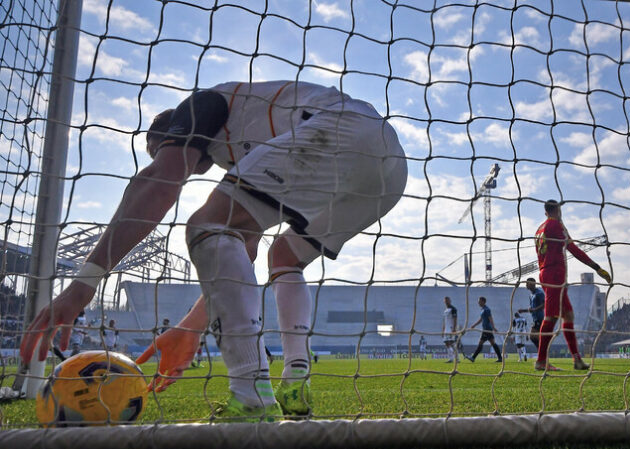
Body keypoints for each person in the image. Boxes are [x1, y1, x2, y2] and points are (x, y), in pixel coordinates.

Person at [20, 80, 407, 422]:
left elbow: (158, 184)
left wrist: (80, 289)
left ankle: (251, 397)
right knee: (284, 258)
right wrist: (190, 328)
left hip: (343, 130)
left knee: (206, 224)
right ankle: (296, 380)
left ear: (172, 133)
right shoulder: (244, 150)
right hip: (389, 171)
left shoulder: (201, 105)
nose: (166, 158)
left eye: (163, 149)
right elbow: (242, 252)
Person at [533, 200, 611, 371]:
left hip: (546, 273)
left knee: (568, 315)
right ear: (558, 210)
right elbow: (573, 249)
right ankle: (540, 361)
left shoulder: (539, 229)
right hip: (554, 274)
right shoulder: (555, 225)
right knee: (551, 317)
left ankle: (577, 360)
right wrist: (596, 267)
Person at [468, 297, 503, 363]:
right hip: (485, 329)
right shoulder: (482, 309)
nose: (478, 303)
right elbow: (481, 319)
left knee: (481, 343)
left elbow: (490, 318)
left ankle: (473, 357)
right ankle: (500, 358)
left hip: (487, 329)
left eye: (479, 301)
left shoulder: (487, 309)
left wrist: (493, 327)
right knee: (493, 343)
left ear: (483, 301)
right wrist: (474, 325)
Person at [518, 277, 545, 349]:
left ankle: (543, 354)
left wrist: (535, 309)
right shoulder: (531, 295)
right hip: (535, 319)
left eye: (527, 283)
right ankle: (542, 354)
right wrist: (523, 310)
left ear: (532, 284)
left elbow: (544, 305)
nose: (526, 285)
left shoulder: (539, 293)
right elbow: (532, 309)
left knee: (534, 337)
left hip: (540, 318)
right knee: (533, 337)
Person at [442, 296, 461, 363]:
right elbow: (444, 321)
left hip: (451, 328)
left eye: (448, 300)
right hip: (446, 329)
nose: (446, 301)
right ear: (444, 301)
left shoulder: (453, 309)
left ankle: (454, 359)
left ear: (450, 301)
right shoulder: (445, 310)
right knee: (448, 343)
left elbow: (455, 319)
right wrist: (443, 330)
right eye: (445, 300)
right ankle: (454, 358)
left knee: (450, 343)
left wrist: (454, 329)